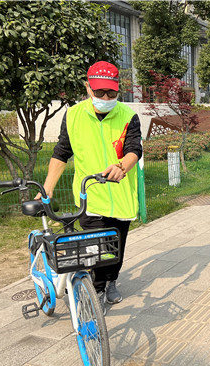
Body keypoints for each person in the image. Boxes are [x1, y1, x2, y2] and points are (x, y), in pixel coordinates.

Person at [39, 61, 142, 312]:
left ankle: (112, 281)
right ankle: (95, 288)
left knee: (116, 247)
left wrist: (122, 167)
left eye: (111, 93)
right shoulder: (73, 115)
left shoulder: (128, 116)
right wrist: (47, 188)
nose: (105, 98)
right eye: (99, 92)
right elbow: (61, 153)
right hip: (90, 196)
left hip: (120, 196)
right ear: (88, 88)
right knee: (95, 249)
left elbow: (134, 150)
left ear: (118, 90)